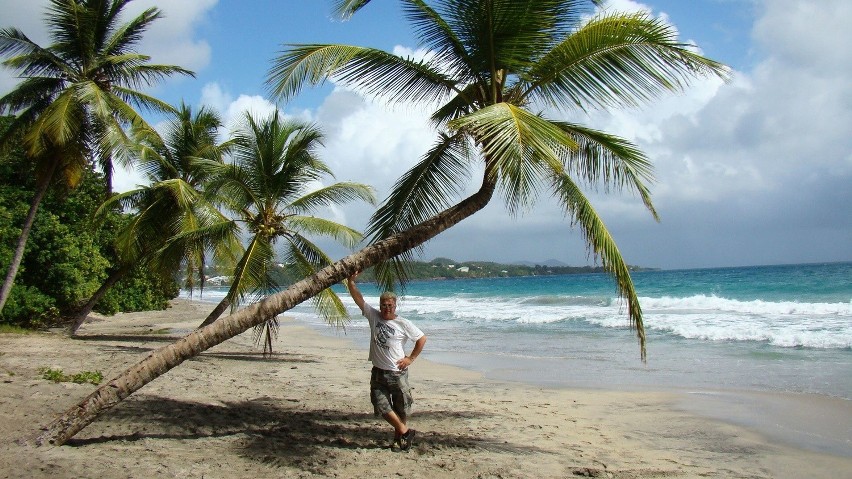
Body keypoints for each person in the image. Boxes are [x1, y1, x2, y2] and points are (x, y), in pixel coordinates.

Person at [346, 271, 426, 451]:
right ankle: (405, 431)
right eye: (383, 305)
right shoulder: (374, 316)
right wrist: (351, 282)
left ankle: (400, 440)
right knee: (380, 405)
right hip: (378, 372)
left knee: (401, 408)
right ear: (380, 305)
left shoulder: (403, 323)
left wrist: (410, 358)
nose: (386, 308)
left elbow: (421, 339)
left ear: (395, 306)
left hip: (397, 373)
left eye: (390, 305)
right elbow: (358, 299)